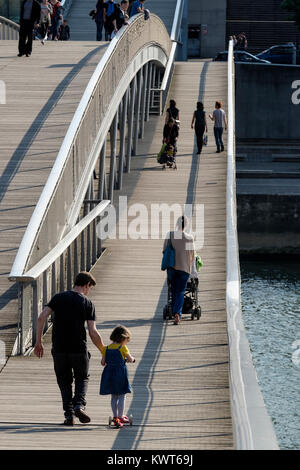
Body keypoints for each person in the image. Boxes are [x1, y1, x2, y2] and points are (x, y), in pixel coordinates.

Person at [34, 271, 104, 426]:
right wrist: (103, 351)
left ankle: (69, 416)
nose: (88, 291)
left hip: (59, 348)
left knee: (64, 381)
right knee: (82, 377)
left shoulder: (58, 298)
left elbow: (41, 317)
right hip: (79, 348)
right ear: (87, 285)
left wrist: (38, 342)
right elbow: (92, 331)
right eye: (89, 288)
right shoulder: (87, 303)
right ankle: (79, 405)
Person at [100, 325, 135, 428]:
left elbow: (103, 362)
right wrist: (132, 359)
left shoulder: (106, 348)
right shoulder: (123, 348)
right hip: (120, 374)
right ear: (123, 338)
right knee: (122, 395)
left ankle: (115, 416)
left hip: (109, 374)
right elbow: (130, 359)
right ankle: (120, 416)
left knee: (114, 396)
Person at [163, 216, 195, 325]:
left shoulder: (170, 235)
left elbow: (164, 250)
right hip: (184, 269)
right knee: (181, 291)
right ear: (186, 225)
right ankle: (177, 313)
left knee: (173, 290)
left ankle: (173, 309)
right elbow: (192, 255)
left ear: (177, 223)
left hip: (172, 268)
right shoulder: (189, 238)